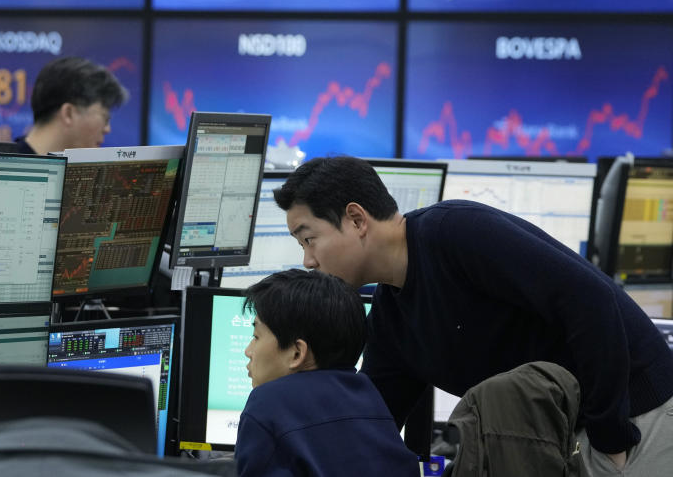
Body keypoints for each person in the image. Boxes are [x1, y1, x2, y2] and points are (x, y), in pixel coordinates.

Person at [274, 156, 673, 477]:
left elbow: (592, 301)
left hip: (635, 414)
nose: (308, 260)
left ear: (357, 219)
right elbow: (372, 421)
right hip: (568, 436)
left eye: (310, 240)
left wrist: (611, 438)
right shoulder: (392, 314)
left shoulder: (455, 233)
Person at [235, 268, 418, 477]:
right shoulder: (369, 395)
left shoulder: (268, 402)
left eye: (256, 336)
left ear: (297, 353)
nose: (248, 351)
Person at [15, 56, 128, 154]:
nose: (107, 129)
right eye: (105, 117)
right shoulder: (0, 171)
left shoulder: (78, 175)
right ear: (68, 113)